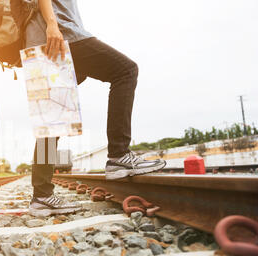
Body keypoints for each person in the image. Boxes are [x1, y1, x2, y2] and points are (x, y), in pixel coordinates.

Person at [26, 0, 166, 216]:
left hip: (40, 40)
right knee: (125, 71)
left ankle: (42, 196)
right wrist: (52, 25)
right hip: (59, 35)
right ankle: (119, 155)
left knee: (52, 121)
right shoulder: (55, 27)